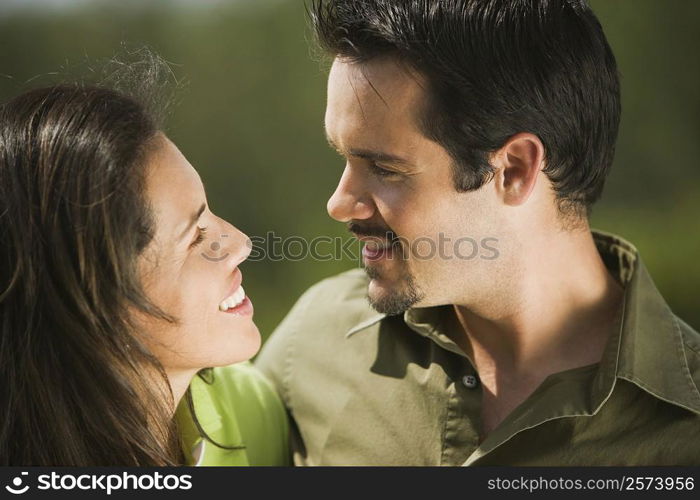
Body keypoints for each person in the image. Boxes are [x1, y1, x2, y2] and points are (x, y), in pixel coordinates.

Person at [256, 0, 700, 465]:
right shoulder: (313, 342)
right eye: (344, 158)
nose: (338, 203)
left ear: (513, 169)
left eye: (384, 168)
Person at [0, 63, 289, 466]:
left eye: (210, 213)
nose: (241, 243)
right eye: (196, 236)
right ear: (93, 298)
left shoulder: (252, 411)